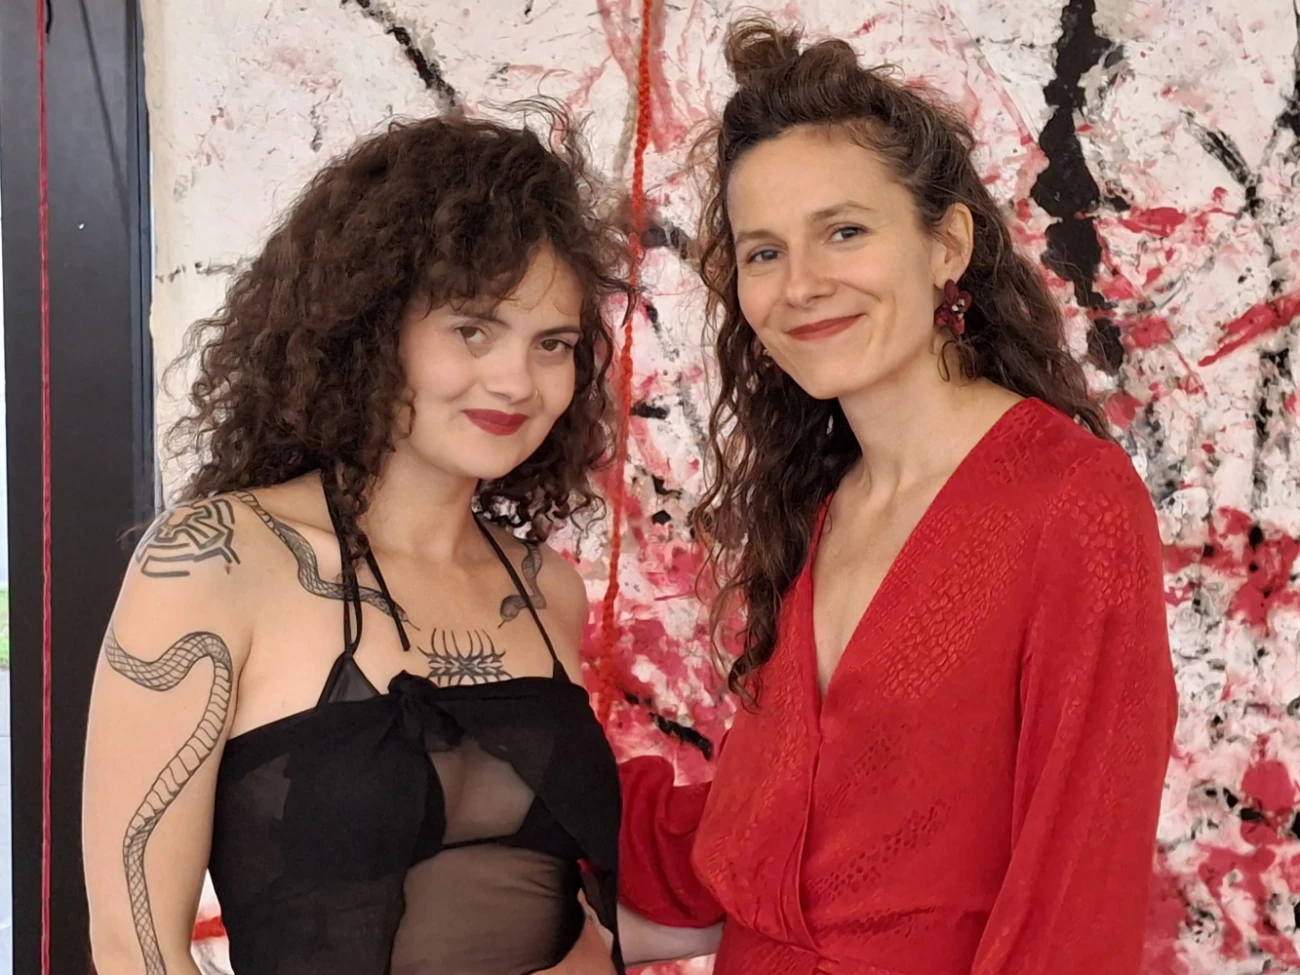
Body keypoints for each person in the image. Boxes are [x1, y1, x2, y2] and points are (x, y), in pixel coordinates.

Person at [616, 18, 1178, 975]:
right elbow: (772, 835)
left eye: (844, 231)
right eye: (763, 252)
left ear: (946, 243)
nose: (801, 285)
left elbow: (1076, 889)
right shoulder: (816, 507)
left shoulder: (1070, 501)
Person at [83, 109, 631, 975]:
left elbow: (566, 911)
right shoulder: (216, 563)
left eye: (552, 344)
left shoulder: (545, 588)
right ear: (371, 328)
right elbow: (131, 951)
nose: (516, 381)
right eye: (473, 329)